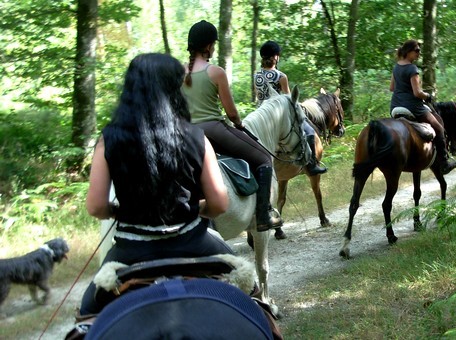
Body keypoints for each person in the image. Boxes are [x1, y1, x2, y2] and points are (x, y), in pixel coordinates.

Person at [79, 53, 236, 315]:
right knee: (249, 290)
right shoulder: (197, 137)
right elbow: (220, 203)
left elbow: (95, 207)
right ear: (174, 88)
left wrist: (118, 211)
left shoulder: (109, 139)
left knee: (87, 313)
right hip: (193, 244)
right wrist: (198, 209)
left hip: (131, 251)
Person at [182, 20, 283, 231]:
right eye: (213, 44)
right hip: (213, 131)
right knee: (264, 158)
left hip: (186, 134)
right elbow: (232, 113)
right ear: (209, 46)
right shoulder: (215, 72)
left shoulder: (178, 73)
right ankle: (263, 215)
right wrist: (239, 125)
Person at [254, 40, 327, 175]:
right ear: (275, 57)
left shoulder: (256, 75)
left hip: (260, 114)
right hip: (277, 115)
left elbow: (258, 96)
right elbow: (289, 100)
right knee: (310, 131)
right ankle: (311, 166)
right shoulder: (281, 76)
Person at [390, 39, 456, 174]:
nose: (419, 54)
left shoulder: (396, 67)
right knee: (438, 127)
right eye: (417, 51)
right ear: (408, 51)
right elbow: (417, 92)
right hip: (412, 107)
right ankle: (444, 162)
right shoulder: (412, 69)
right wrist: (427, 96)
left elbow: (392, 88)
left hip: (395, 106)